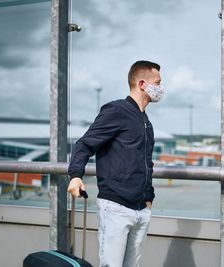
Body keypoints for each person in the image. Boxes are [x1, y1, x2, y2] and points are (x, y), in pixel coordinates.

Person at [67, 60, 163, 267]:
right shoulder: (117, 110)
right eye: (158, 82)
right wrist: (75, 175)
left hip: (141, 210)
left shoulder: (145, 121)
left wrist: (148, 200)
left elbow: (145, 163)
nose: (161, 88)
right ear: (142, 84)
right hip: (116, 209)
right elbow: (85, 143)